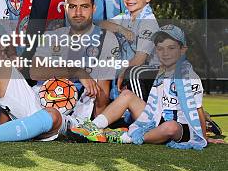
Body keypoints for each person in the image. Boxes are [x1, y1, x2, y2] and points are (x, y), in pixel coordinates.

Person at [70, 25, 223, 148]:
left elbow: (198, 109)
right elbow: (154, 107)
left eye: (171, 48)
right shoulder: (162, 73)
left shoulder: (190, 77)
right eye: (160, 48)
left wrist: (203, 139)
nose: (165, 53)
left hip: (179, 128)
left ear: (182, 50)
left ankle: (126, 138)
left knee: (171, 127)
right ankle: (92, 127)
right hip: (157, 119)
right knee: (127, 95)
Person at [30, 0, 121, 120]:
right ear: (66, 8)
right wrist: (76, 71)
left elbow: (103, 93)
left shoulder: (107, 39)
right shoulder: (51, 35)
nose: (78, 13)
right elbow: (35, 72)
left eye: (84, 7)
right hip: (41, 104)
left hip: (77, 116)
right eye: (72, 7)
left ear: (93, 9)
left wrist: (94, 127)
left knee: (96, 78)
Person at [101, 0, 160, 100]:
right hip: (130, 71)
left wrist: (122, 73)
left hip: (149, 77)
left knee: (132, 73)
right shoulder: (126, 16)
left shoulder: (148, 21)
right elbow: (101, 24)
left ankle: (141, 116)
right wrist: (119, 29)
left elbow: (140, 59)